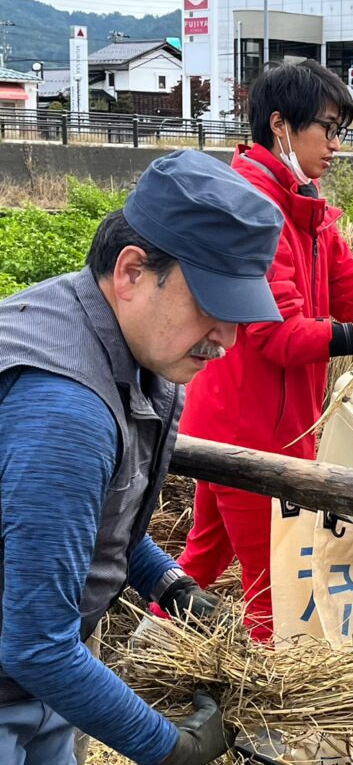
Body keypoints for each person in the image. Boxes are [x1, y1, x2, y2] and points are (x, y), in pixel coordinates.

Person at [0, 149, 285, 764]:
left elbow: (102, 520)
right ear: (132, 271)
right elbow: (35, 646)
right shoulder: (65, 409)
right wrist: (169, 747)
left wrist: (172, 585)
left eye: (238, 314)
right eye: (212, 303)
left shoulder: (129, 349)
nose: (228, 340)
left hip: (38, 688)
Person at [172, 60, 353, 642]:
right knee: (273, 588)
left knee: (202, 558)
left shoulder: (307, 206)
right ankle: (260, 715)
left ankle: (149, 659)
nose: (335, 144)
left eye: (339, 130)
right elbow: (275, 336)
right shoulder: (252, 210)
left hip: (247, 423)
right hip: (248, 433)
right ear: (280, 125)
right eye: (326, 129)